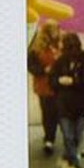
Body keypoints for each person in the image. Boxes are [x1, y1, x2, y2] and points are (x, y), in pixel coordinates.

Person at [49, 32, 84, 168]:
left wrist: (73, 82)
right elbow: (52, 80)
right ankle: (75, 167)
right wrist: (59, 81)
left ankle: (66, 159)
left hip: (80, 106)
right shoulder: (60, 62)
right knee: (68, 136)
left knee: (76, 137)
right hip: (64, 105)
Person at [27, 20, 61, 154]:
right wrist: (43, 70)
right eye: (52, 29)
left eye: (56, 28)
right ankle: (49, 139)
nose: (55, 31)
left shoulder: (61, 43)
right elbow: (30, 64)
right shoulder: (36, 47)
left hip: (59, 84)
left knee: (57, 112)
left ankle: (51, 135)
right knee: (47, 112)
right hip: (44, 85)